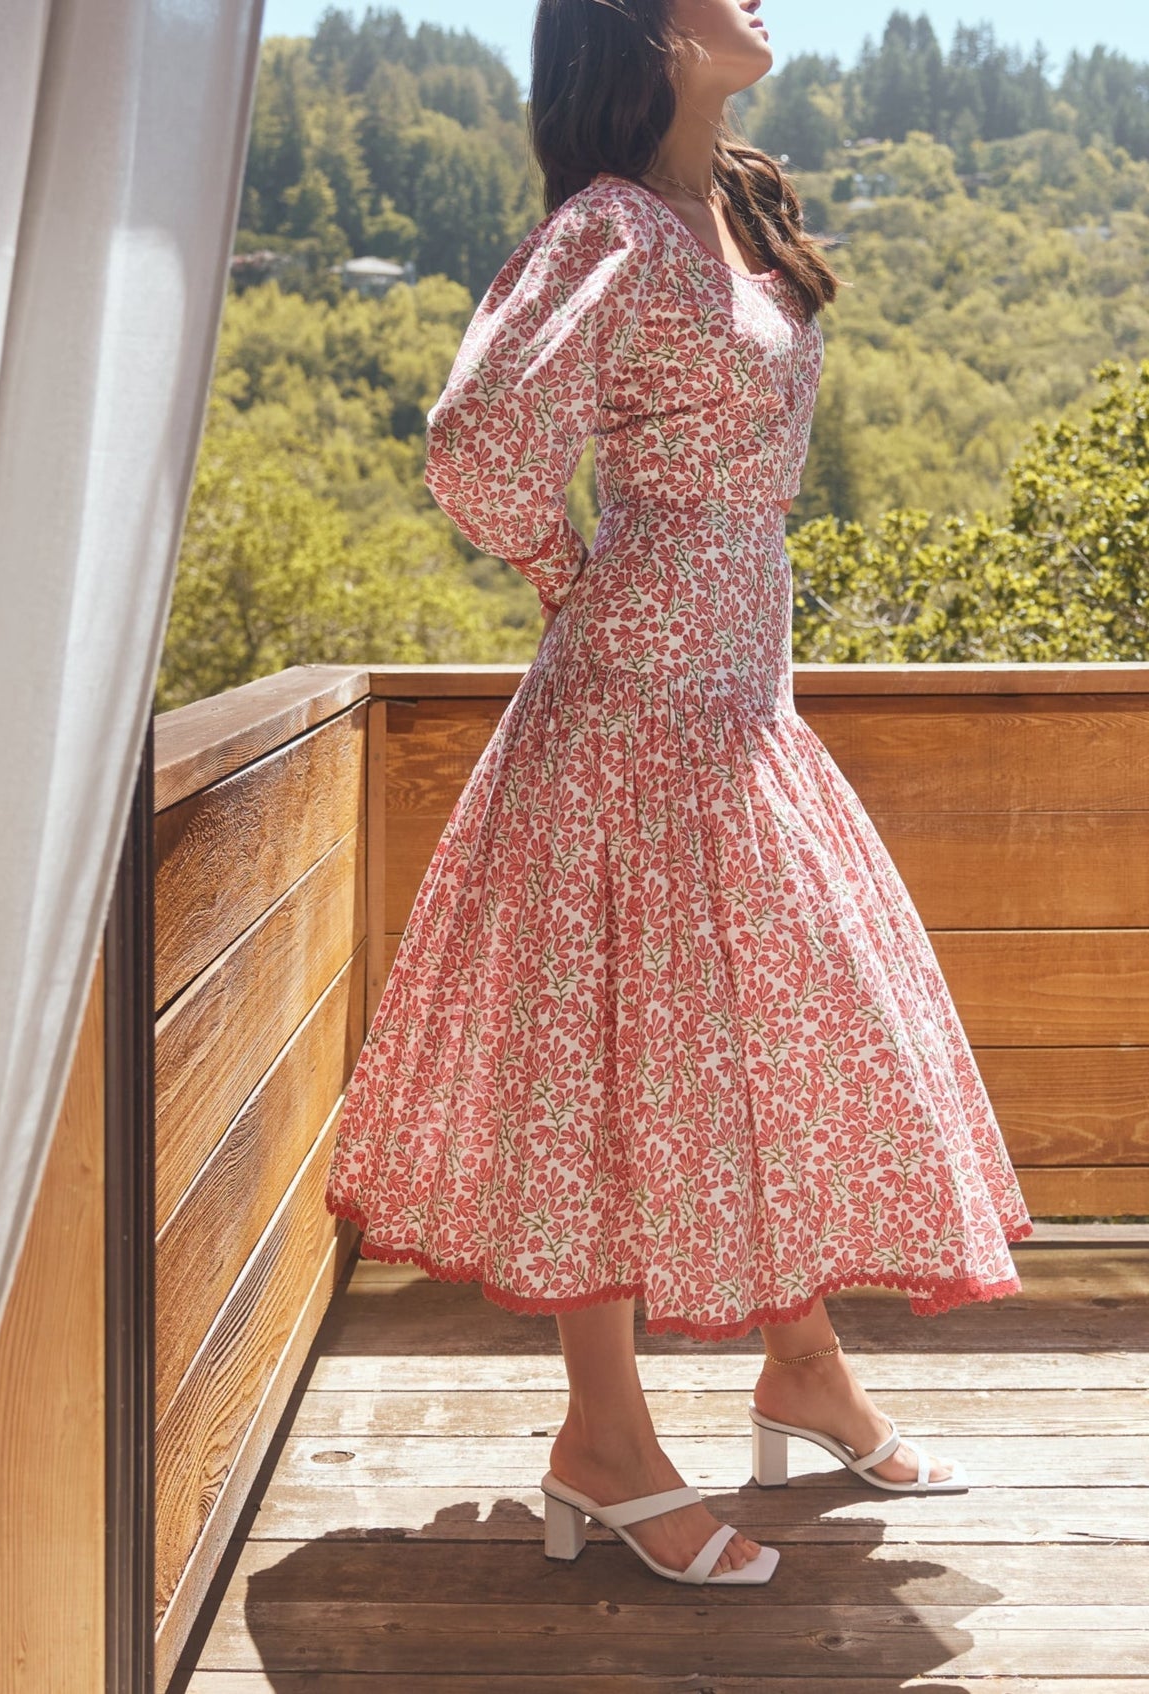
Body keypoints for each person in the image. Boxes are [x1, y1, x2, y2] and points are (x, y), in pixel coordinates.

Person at [324, 0, 1034, 1587]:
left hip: (738, 702)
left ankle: (803, 1369)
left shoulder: (730, 199)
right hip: (637, 715)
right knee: (615, 1054)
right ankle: (606, 1435)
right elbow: (478, 434)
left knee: (768, 1021)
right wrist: (566, 567)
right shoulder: (616, 232)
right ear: (642, 25)